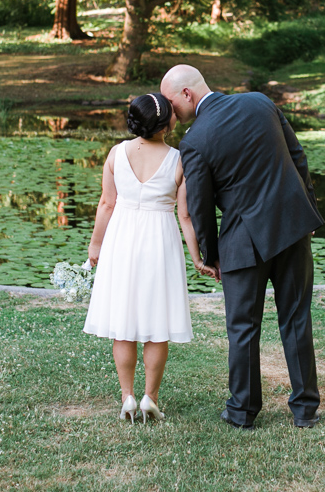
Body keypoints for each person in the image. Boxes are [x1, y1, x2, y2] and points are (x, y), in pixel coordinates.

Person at [160, 64, 324, 430]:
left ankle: (243, 411)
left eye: (172, 103)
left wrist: (209, 253)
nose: (172, 113)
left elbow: (200, 206)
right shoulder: (260, 103)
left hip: (243, 240)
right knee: (296, 317)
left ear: (187, 94)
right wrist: (308, 211)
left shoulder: (195, 140)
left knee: (243, 327)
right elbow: (298, 158)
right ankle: (305, 410)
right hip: (293, 225)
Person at [83, 93, 208, 424]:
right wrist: (198, 257)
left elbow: (106, 204)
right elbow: (185, 215)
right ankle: (150, 397)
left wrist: (95, 246)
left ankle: (127, 397)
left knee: (123, 324)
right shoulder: (178, 159)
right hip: (160, 241)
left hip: (121, 239)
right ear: (167, 123)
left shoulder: (115, 154)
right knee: (157, 324)